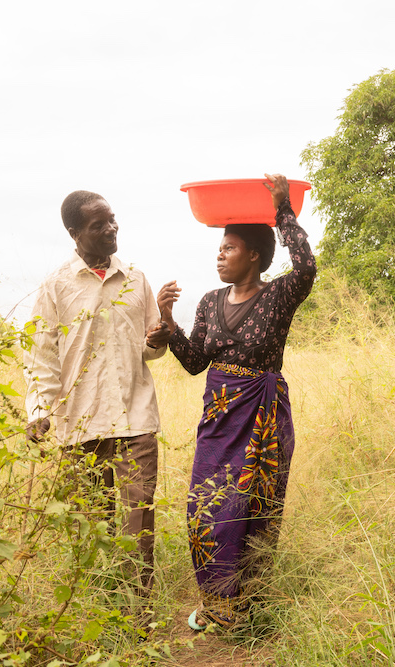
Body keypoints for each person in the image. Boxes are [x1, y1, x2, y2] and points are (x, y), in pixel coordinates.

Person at [156, 173, 316, 630]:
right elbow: (194, 363)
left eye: (228, 248)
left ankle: (251, 605)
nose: (220, 255)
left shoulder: (278, 295)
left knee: (255, 505)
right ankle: (218, 604)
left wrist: (283, 209)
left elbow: (305, 267)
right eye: (219, 248)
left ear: (254, 255)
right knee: (207, 506)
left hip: (263, 415)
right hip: (219, 418)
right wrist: (169, 324)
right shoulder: (209, 302)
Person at [24, 190, 170, 600]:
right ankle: (96, 613)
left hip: (135, 420)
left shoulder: (137, 279)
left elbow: (150, 350)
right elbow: (41, 356)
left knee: (136, 522)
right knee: (90, 526)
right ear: (74, 233)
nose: (111, 229)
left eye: (112, 220)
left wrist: (159, 338)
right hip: (79, 425)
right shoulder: (56, 287)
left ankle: (138, 617)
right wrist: (39, 410)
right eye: (98, 225)